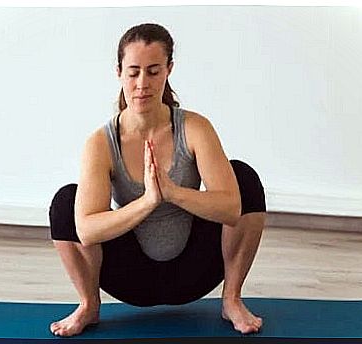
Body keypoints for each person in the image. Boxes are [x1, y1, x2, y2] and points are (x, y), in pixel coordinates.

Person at [48, 23, 266, 337]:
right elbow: (86, 229)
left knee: (243, 178)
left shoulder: (194, 127)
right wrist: (148, 200)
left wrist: (173, 193)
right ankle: (89, 304)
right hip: (130, 277)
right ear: (119, 71)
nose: (142, 84)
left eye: (153, 71)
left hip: (195, 272)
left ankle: (231, 299)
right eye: (133, 71)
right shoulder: (101, 142)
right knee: (66, 201)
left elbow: (232, 209)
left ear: (169, 70)